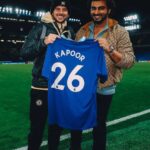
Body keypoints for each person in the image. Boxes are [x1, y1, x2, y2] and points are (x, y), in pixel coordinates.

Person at [20, 0, 81, 149]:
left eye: (64, 9)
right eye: (58, 9)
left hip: (60, 89)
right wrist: (44, 41)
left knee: (56, 129)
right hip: (41, 88)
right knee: (37, 129)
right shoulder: (40, 27)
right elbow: (24, 53)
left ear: (68, 13)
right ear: (52, 11)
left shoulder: (70, 31)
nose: (61, 12)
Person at [75, 0, 135, 149]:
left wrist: (110, 49)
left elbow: (129, 61)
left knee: (99, 123)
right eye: (93, 8)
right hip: (81, 86)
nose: (96, 12)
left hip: (104, 86)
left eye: (101, 8)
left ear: (108, 10)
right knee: (76, 122)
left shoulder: (119, 31)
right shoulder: (82, 30)